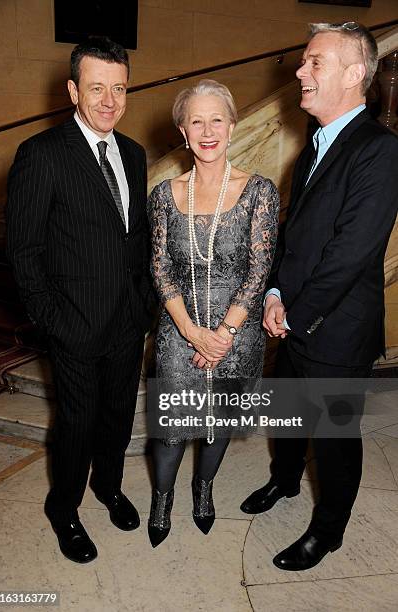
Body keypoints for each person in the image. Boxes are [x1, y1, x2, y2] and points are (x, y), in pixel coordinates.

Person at [241, 22, 398, 571]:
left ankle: (327, 531)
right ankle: (284, 483)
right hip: (294, 313)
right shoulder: (314, 145)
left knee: (333, 436)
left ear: (356, 74)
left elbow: (350, 252)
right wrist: (275, 292)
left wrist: (294, 313)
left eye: (314, 63)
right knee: (287, 416)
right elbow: (298, 236)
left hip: (336, 328)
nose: (300, 73)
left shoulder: (380, 150)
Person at [6, 37, 156, 563]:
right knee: (76, 421)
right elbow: (23, 251)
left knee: (117, 415)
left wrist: (144, 305)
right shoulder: (40, 154)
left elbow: (132, 238)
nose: (109, 101)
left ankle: (109, 487)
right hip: (73, 324)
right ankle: (64, 509)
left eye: (119, 89)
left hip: (126, 322)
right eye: (97, 88)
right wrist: (52, 320)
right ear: (73, 90)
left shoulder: (134, 154)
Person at [146, 79, 280, 547]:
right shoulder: (164, 194)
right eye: (196, 121)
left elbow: (259, 270)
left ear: (232, 124)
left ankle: (203, 491)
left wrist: (222, 334)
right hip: (178, 329)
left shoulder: (259, 191)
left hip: (236, 333)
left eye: (216, 119)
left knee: (219, 423)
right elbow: (160, 268)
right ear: (182, 132)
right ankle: (161, 500)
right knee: (171, 433)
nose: (207, 130)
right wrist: (190, 332)